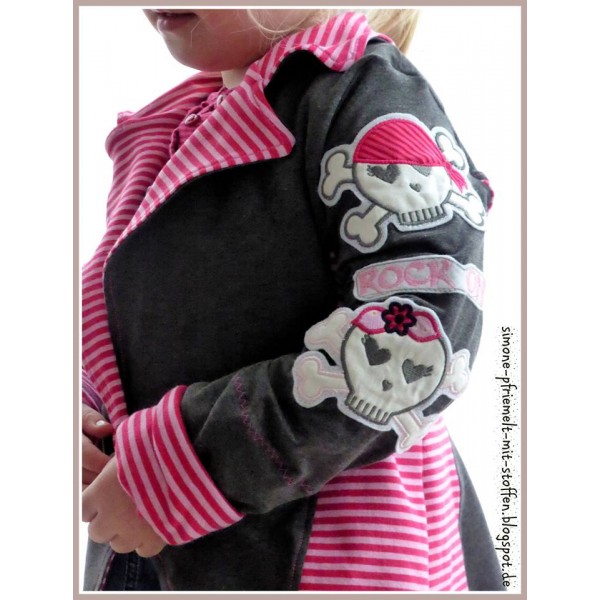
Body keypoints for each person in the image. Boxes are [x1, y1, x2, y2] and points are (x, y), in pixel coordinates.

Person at [81, 8, 503, 591]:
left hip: (323, 555)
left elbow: (423, 338)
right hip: (155, 543)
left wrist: (179, 470)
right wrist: (91, 416)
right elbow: (146, 319)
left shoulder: (362, 95)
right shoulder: (181, 125)